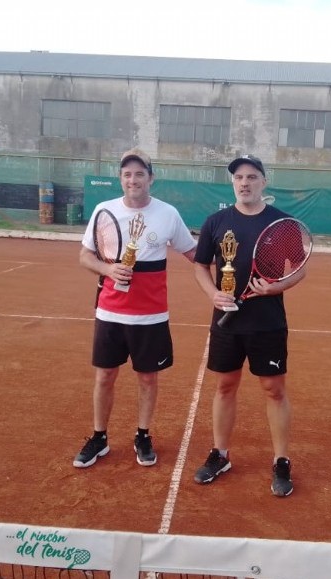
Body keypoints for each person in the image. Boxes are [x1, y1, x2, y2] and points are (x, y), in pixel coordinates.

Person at [192, 154, 307, 497]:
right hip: (226, 321)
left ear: (264, 182)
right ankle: (220, 454)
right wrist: (213, 293)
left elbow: (299, 268)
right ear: (232, 183)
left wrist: (278, 286)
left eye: (252, 177)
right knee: (225, 386)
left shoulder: (282, 223)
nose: (245, 182)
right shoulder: (216, 222)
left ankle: (281, 461)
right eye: (239, 177)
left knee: (274, 390)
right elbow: (200, 266)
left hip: (267, 322)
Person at [74, 148, 197, 469]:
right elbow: (86, 256)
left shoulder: (168, 214)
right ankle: (99, 437)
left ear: (150, 178)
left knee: (147, 379)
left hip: (151, 315)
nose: (133, 179)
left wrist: (230, 265)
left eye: (139, 173)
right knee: (105, 377)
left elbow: (193, 253)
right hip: (110, 312)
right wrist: (108, 270)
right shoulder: (103, 209)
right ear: (121, 178)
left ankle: (142, 435)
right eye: (127, 174)